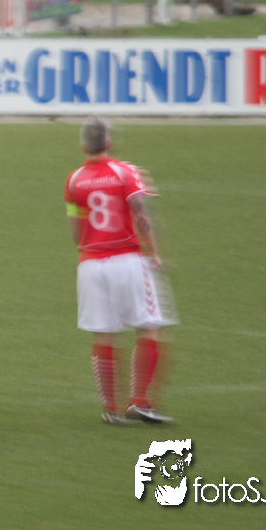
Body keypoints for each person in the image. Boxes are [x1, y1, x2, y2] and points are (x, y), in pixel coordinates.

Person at [64, 116, 177, 426]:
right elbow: (141, 214)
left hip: (90, 264)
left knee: (104, 333)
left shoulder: (74, 180)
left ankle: (109, 408)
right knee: (149, 326)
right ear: (110, 143)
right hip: (127, 260)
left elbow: (75, 229)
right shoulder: (126, 172)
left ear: (83, 146)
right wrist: (154, 252)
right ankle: (139, 402)